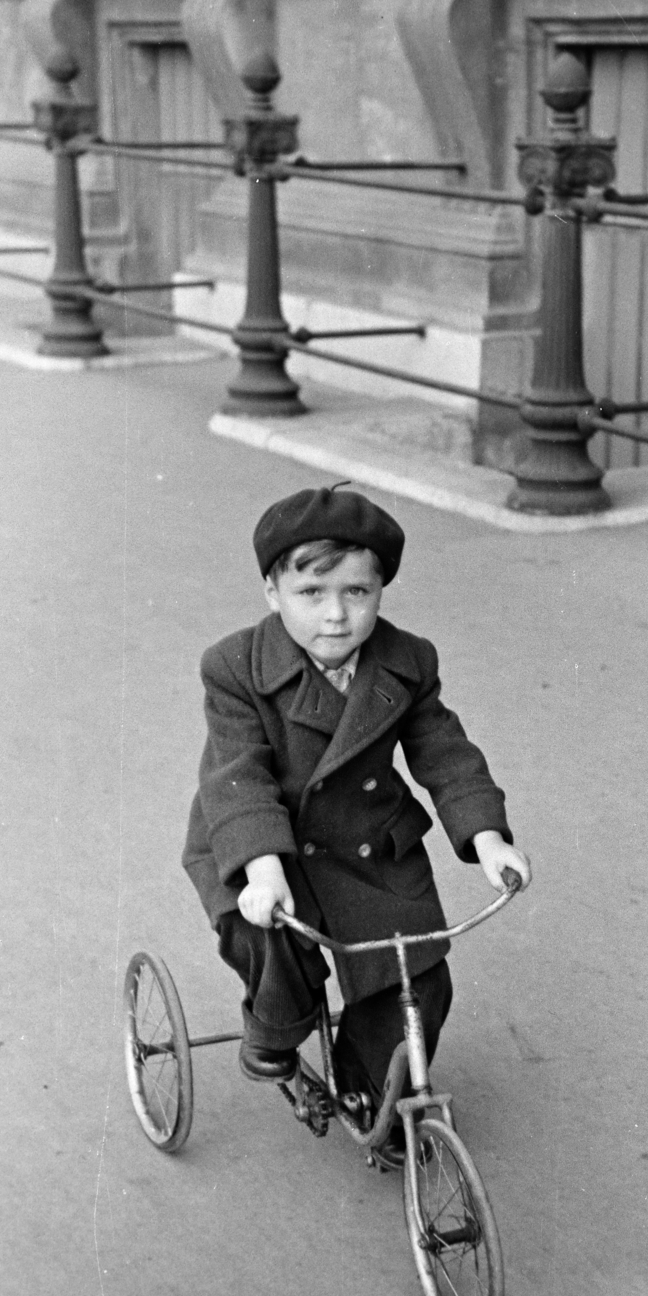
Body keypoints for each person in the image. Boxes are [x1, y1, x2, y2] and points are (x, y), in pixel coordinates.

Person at [182, 484, 530, 1166]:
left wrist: (487, 836)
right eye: (312, 593)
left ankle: (370, 1084)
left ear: (380, 592)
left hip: (369, 843)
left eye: (358, 592)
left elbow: (444, 750)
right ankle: (273, 1036)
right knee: (272, 943)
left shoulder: (407, 662)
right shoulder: (235, 668)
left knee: (415, 976)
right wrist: (261, 866)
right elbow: (240, 774)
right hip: (258, 838)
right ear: (272, 593)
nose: (337, 616)